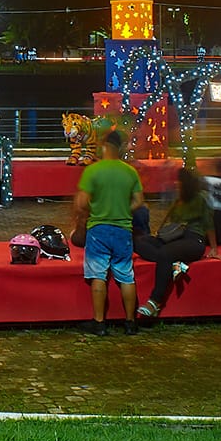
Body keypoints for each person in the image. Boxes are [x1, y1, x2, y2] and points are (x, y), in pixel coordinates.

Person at [72, 131, 145, 335]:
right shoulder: (130, 172)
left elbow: (82, 202)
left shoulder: (93, 171)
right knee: (126, 275)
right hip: (123, 229)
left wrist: (95, 209)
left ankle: (99, 322)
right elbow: (139, 201)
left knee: (98, 274)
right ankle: (130, 323)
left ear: (104, 146)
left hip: (98, 228)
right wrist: (122, 209)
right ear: (120, 147)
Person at [135, 167, 221, 321]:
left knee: (165, 254)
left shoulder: (200, 198)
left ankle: (155, 302)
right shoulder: (179, 199)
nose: (176, 184)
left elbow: (208, 224)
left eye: (179, 181)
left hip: (193, 239)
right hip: (174, 238)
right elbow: (171, 222)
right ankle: (174, 263)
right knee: (139, 242)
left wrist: (214, 249)